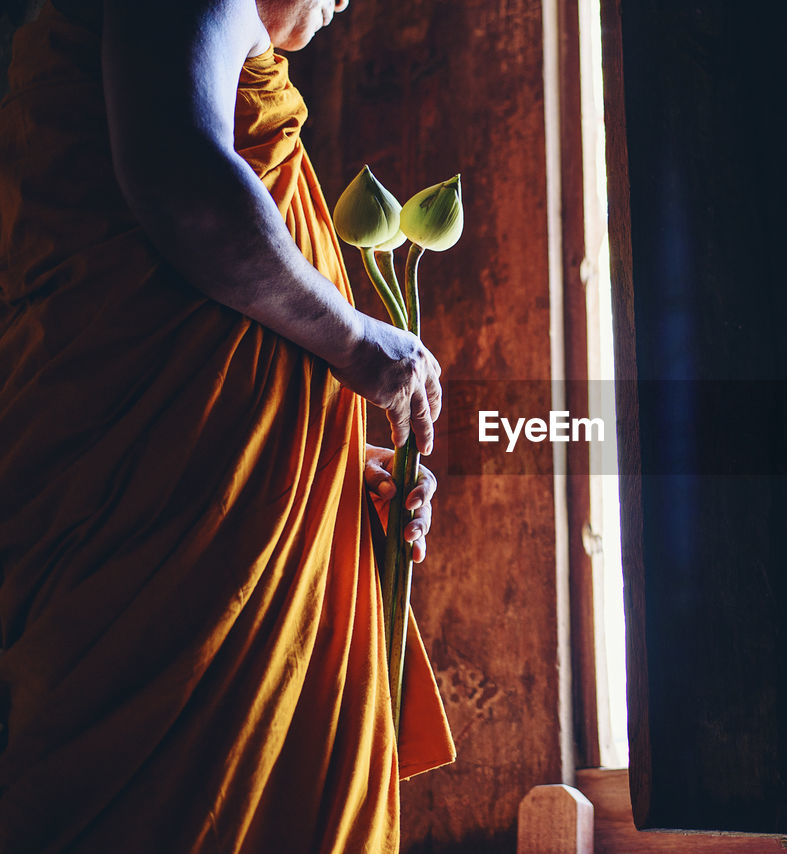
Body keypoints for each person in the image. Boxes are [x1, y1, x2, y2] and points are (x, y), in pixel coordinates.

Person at [0, 0, 455, 850]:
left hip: (193, 493)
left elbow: (182, 339)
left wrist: (328, 466)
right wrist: (356, 339)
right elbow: (186, 187)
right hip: (155, 527)